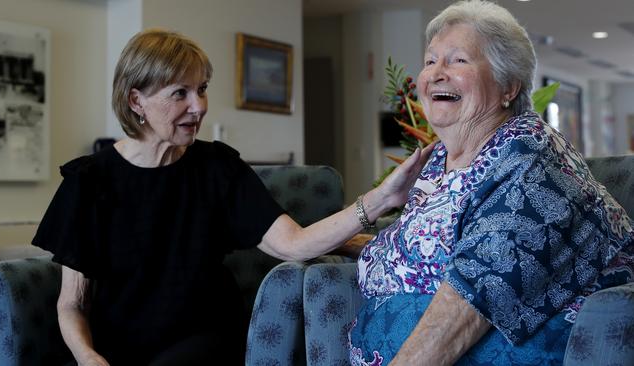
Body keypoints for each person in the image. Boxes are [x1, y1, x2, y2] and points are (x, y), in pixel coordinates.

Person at [32, 29, 430, 366]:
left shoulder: (217, 167)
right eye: (181, 93)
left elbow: (293, 244)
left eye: (202, 89)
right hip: (116, 347)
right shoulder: (88, 182)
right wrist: (89, 358)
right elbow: (72, 305)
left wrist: (381, 198)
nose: (199, 106)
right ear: (137, 101)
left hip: (204, 341)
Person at [348, 1, 634, 365]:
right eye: (430, 60)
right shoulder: (441, 159)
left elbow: (475, 294)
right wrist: (353, 242)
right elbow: (428, 250)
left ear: (508, 87)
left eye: (458, 60)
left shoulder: (530, 158)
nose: (436, 73)